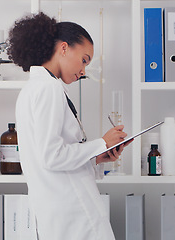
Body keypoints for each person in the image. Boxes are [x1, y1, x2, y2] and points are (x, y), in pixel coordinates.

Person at [8, 12, 131, 240]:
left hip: (57, 213)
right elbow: (52, 156)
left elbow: (49, 156)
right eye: (84, 60)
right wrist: (101, 143)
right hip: (74, 213)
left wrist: (96, 157)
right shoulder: (49, 88)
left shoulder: (32, 90)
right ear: (64, 48)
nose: (84, 71)